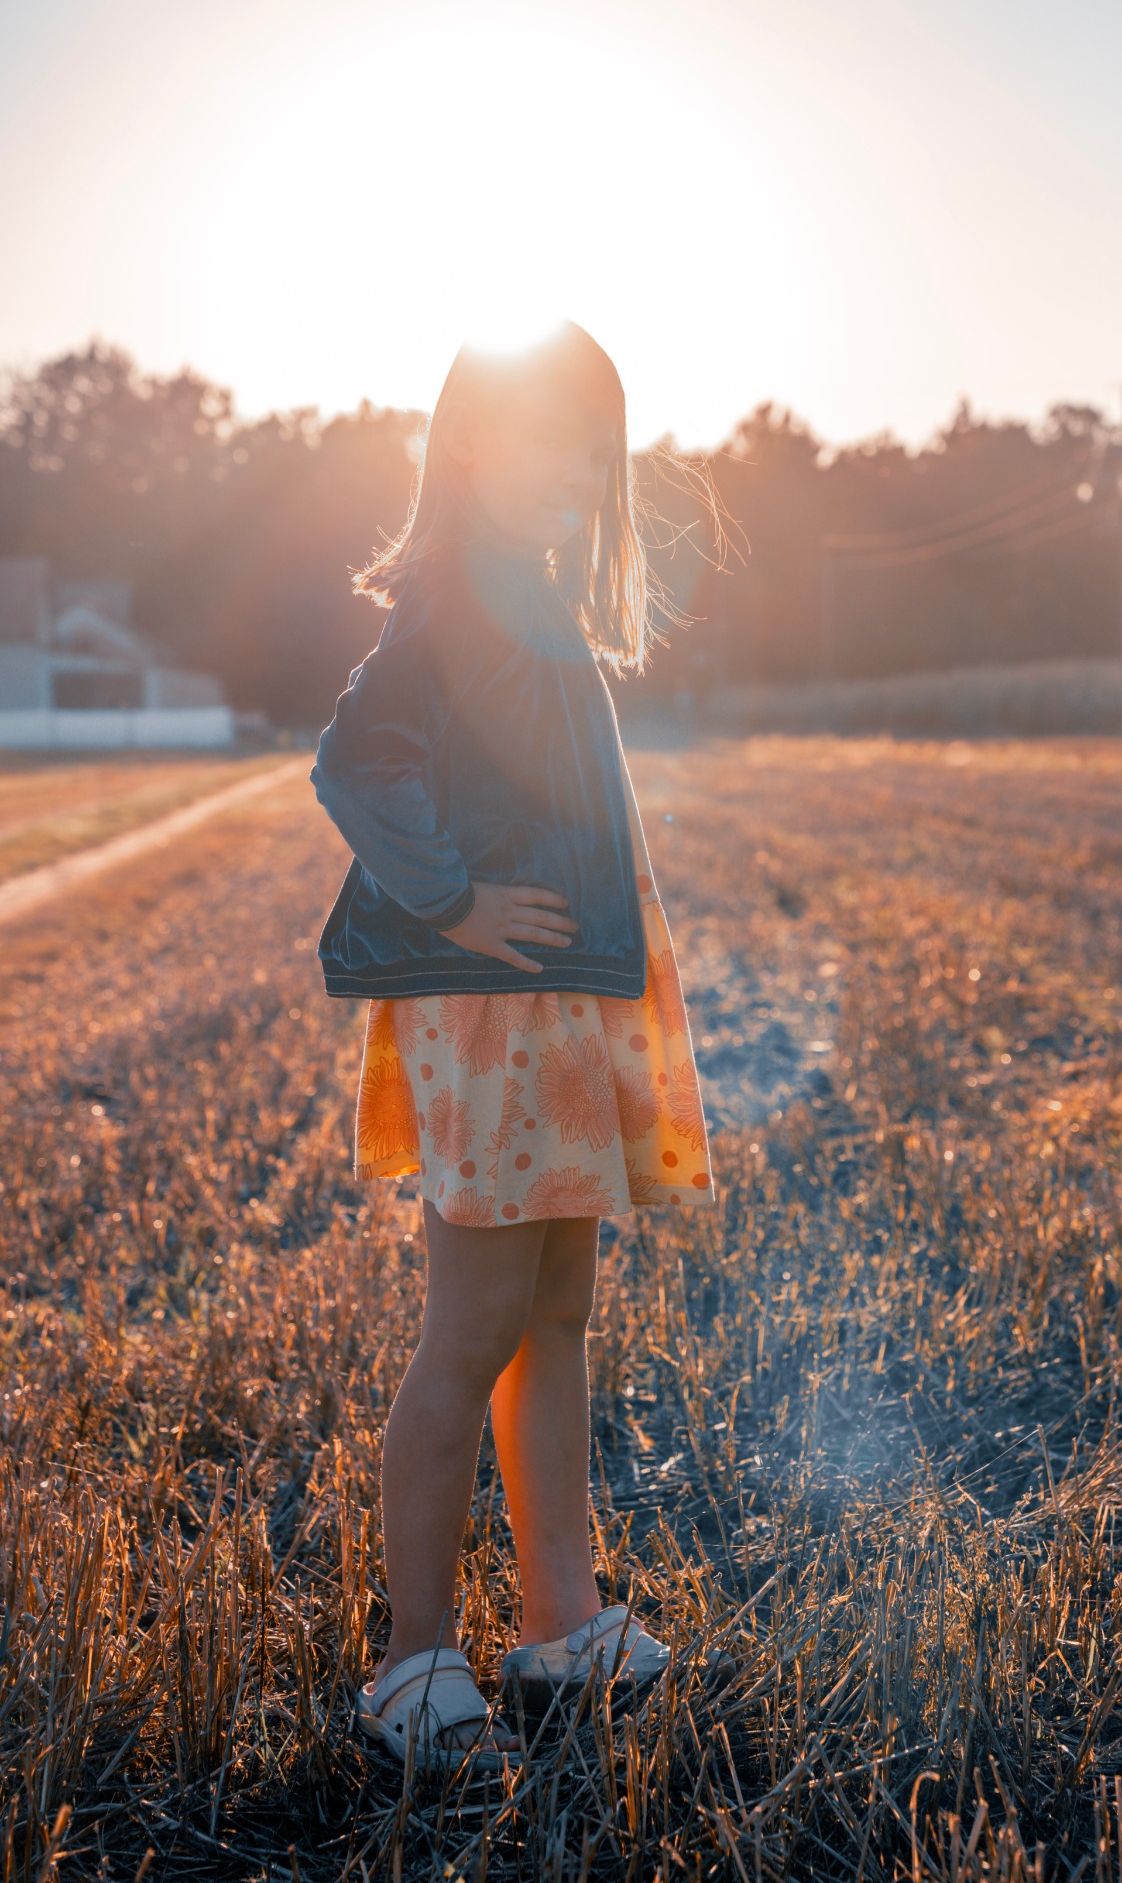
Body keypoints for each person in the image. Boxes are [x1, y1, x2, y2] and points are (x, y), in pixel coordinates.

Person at [310, 323, 715, 1772]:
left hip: (563, 1008)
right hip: (498, 1021)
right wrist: (453, 902)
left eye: (590, 444)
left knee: (555, 1317)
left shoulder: (529, 599)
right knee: (471, 1329)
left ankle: (562, 1620)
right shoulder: (454, 609)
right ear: (472, 442)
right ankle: (413, 1661)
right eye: (544, 434)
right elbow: (354, 764)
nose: (571, 470)